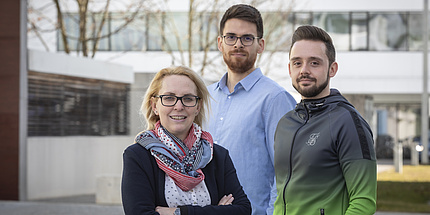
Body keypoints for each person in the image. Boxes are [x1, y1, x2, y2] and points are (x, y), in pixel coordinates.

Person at [273, 25, 377, 215]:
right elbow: (281, 197)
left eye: (314, 63)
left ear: (332, 69)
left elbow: (364, 202)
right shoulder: (285, 124)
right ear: (289, 68)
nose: (304, 70)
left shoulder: (348, 123)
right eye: (297, 63)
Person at [122, 66, 251, 215]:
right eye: (169, 98)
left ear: (198, 107)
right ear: (154, 106)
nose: (178, 106)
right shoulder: (137, 156)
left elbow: (243, 210)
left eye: (188, 99)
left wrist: (178, 213)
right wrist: (219, 211)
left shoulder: (218, 156)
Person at [207, 4, 297, 215]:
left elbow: (287, 173)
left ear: (260, 45)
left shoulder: (276, 99)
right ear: (220, 43)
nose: (238, 44)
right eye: (231, 37)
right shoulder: (206, 98)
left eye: (247, 38)